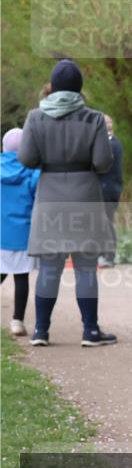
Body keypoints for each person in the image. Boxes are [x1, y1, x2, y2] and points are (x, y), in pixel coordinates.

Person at [18, 58, 117, 347]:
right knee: (86, 268)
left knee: (49, 268)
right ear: (79, 87)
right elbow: (102, 162)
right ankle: (90, 331)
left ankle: (40, 331)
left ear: (54, 86)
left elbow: (26, 158)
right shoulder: (95, 118)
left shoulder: (35, 117)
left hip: (49, 197)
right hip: (85, 197)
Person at [1, 128, 41, 336]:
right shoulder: (33, 172)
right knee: (21, 277)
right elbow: (38, 199)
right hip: (22, 233)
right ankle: (17, 321)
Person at [98, 115, 124, 268]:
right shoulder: (114, 143)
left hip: (107, 188)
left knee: (106, 222)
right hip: (111, 187)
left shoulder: (110, 144)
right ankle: (104, 253)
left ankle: (109, 255)